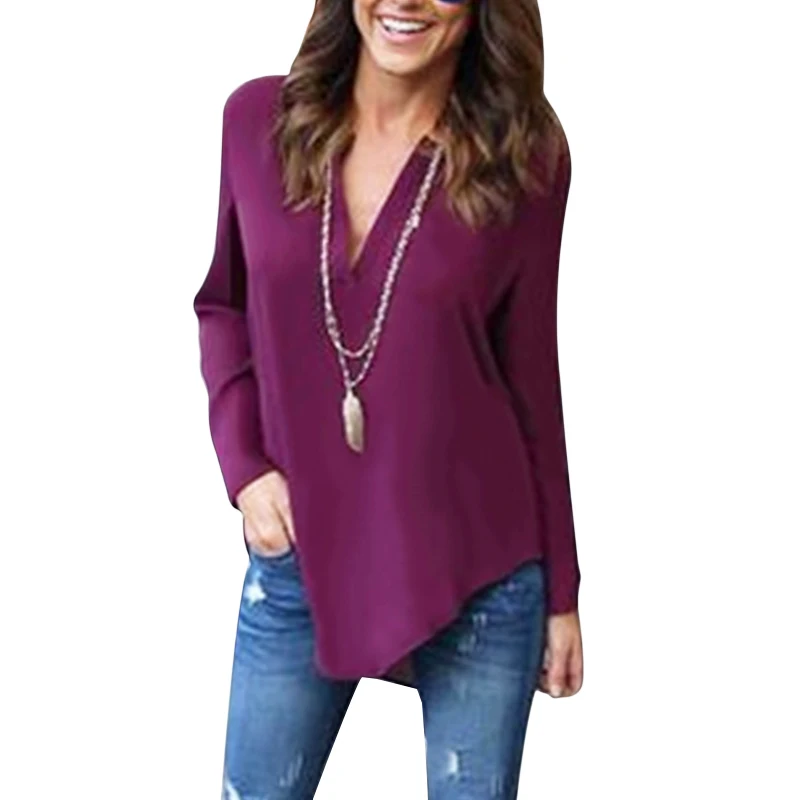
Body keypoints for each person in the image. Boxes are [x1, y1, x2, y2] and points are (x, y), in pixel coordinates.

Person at [192, 1, 584, 797]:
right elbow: (222, 306)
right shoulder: (258, 123)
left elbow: (532, 375)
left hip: (478, 568)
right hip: (303, 554)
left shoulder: (523, 158)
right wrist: (246, 469)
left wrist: (562, 594)